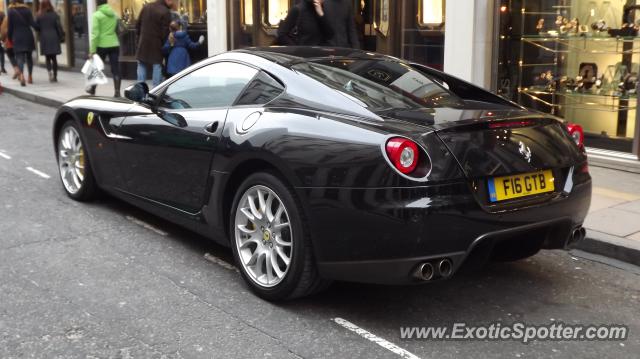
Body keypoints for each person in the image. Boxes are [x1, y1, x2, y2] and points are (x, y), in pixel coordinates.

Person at [88, 0, 121, 97]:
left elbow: (95, 34)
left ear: (97, 3)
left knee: (96, 67)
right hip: (114, 44)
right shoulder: (114, 14)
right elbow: (117, 30)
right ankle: (117, 92)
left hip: (101, 45)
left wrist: (92, 50)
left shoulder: (96, 15)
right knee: (115, 68)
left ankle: (92, 89)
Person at [136, 0, 172, 87]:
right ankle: (155, 90)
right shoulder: (165, 11)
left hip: (143, 42)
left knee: (142, 63)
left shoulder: (146, 7)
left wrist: (139, 38)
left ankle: (140, 89)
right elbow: (165, 31)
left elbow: (138, 25)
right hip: (157, 43)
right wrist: (164, 43)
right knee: (157, 65)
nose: (173, 3)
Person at [7, 0, 38, 86]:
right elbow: (32, 23)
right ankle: (30, 77)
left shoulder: (11, 11)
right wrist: (40, 27)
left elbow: (10, 27)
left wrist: (10, 38)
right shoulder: (27, 10)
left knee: (19, 58)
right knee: (29, 58)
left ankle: (21, 76)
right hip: (28, 36)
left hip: (17, 37)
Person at [36, 0, 64, 82]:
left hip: (44, 37)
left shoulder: (39, 15)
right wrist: (61, 36)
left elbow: (36, 27)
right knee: (54, 58)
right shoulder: (54, 14)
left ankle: (49, 72)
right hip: (54, 37)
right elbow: (59, 26)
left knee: (47, 58)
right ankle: (55, 76)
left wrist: (41, 29)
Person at [0, 1, 20, 80]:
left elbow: (4, 31)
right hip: (18, 40)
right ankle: (18, 71)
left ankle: (16, 70)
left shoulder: (7, 18)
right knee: (18, 56)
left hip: (9, 41)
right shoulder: (4, 16)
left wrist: (3, 40)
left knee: (10, 54)